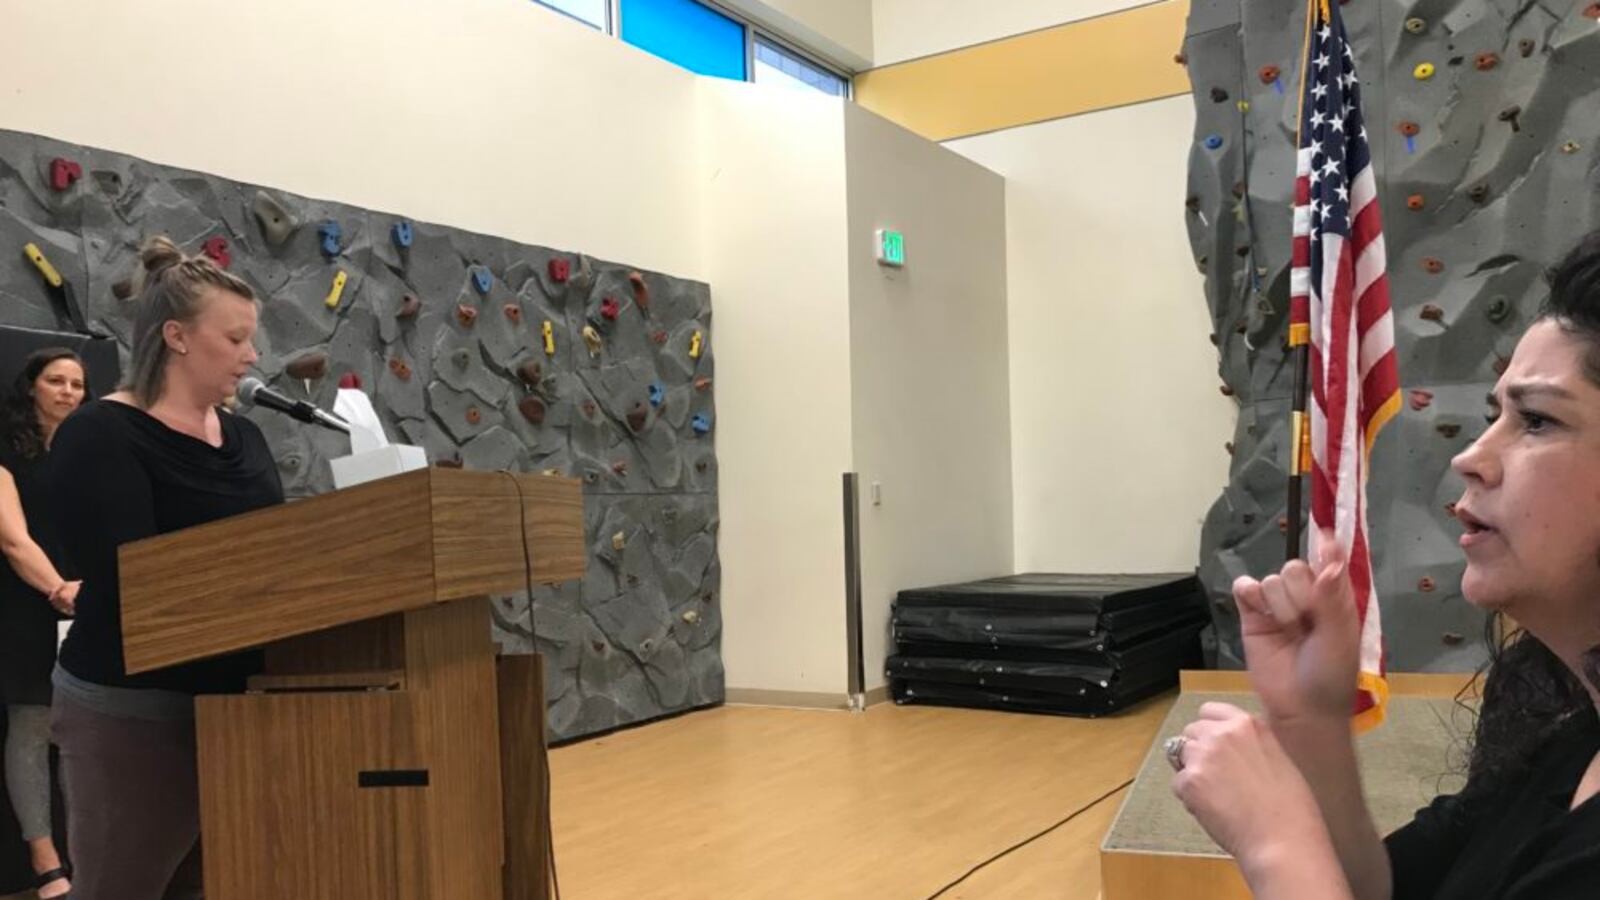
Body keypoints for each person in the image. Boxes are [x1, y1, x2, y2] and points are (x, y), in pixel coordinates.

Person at [1169, 232, 1600, 899]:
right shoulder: (1569, 741)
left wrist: (1276, 843)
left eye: (1537, 421)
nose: (1471, 458)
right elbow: (1385, 890)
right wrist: (1313, 721)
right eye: (1495, 417)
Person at [49, 236, 283, 900]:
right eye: (236, 338)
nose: (252, 355)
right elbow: (130, 576)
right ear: (176, 336)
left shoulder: (248, 436)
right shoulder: (101, 434)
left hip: (235, 711)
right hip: (132, 711)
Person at [0, 349, 87, 899]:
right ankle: (45, 862)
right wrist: (58, 587)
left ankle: (90, 849)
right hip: (29, 603)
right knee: (32, 726)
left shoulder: (92, 453)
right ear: (31, 388)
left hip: (91, 600)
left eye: (78, 383)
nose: (69, 392)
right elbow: (12, 539)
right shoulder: (7, 455)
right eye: (55, 381)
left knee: (89, 727)